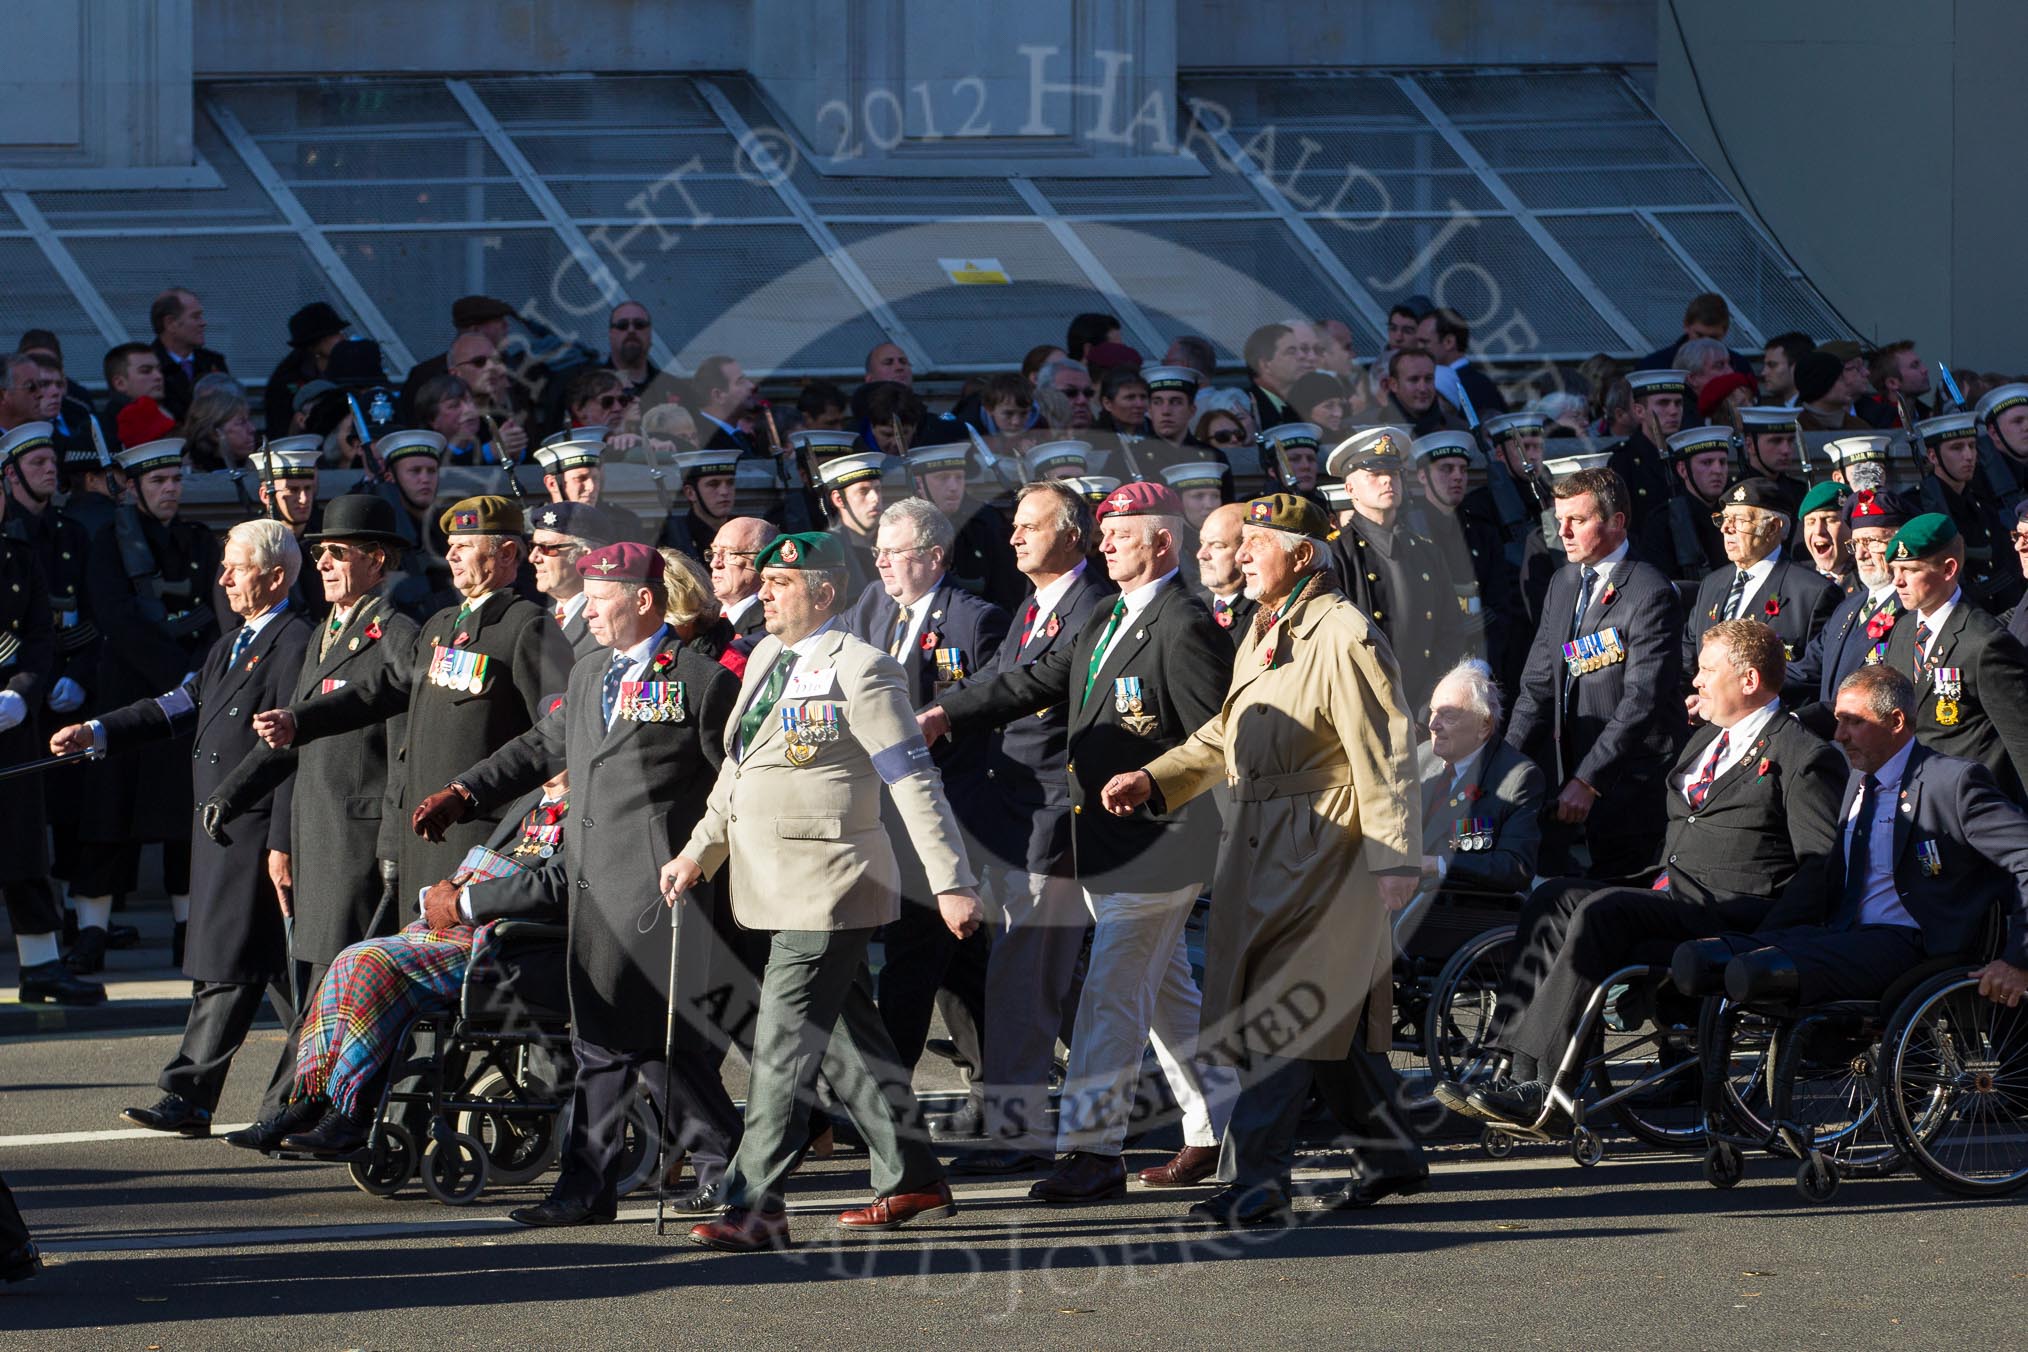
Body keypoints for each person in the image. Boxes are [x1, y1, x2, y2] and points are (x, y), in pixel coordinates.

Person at [1105, 492, 1429, 1225]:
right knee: (1324, 1020)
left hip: (1329, 846)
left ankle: (1256, 1181)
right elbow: (1225, 736)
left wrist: (1392, 859)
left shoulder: (1343, 633)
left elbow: (1386, 754)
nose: (1241, 554)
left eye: (1257, 542)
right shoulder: (1265, 628)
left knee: (1282, 1011)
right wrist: (1156, 778)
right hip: (1264, 842)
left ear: (1304, 554)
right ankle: (1392, 1155)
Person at [661, 530, 982, 1253]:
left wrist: (952, 883)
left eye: (780, 582)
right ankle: (912, 1175)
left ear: (825, 593)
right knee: (851, 1042)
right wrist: (697, 853)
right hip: (768, 882)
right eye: (764, 580)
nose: (764, 591)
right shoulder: (769, 657)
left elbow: (914, 781)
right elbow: (738, 774)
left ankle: (756, 1203)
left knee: (778, 1044)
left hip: (832, 886)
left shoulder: (865, 670)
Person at [924, 481, 1235, 1203]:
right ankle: (1217, 1127)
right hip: (1103, 840)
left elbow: (1216, 742)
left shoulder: (1185, 624)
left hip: (1162, 843)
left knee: (1109, 997)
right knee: (1166, 1000)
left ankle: (1094, 1152)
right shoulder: (1104, 616)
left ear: (1162, 543)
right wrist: (944, 713)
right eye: (1104, 533)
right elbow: (1032, 679)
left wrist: (1158, 785)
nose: (1105, 546)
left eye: (1121, 535)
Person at [418, 542, 742, 1223]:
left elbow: (733, 787)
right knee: (633, 1043)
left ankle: (594, 1187)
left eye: (600, 600)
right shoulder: (593, 669)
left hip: (659, 894)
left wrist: (703, 865)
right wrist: (464, 794)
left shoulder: (700, 681)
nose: (587, 612)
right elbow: (541, 745)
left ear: (643, 601)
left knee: (619, 1042)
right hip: (590, 889)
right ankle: (715, 1168)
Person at [1448, 620, 1844, 1130]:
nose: (1696, 682)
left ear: (1748, 681)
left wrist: (1770, 942)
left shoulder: (1800, 754)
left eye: (1707, 671)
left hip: (1730, 908)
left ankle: (1547, 1088)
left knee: (1601, 912)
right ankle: (1511, 1066)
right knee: (1553, 897)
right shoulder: (1704, 742)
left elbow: (1819, 864)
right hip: (1673, 890)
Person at [56, 520, 312, 1135]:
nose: (222, 578)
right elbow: (179, 703)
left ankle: (279, 1098)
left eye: (237, 567)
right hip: (223, 831)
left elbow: (290, 751)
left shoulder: (296, 639)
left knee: (253, 968)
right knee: (261, 969)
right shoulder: (232, 642)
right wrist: (101, 731)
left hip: (256, 830)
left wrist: (282, 841)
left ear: (275, 576)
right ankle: (267, 1098)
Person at [197, 494, 422, 1149]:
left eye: (337, 553)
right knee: (320, 984)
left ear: (377, 560)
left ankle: (336, 1110)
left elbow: (405, 738)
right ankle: (306, 1100)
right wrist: (235, 795)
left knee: (349, 983)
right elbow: (291, 736)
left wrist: (391, 837)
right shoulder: (327, 630)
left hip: (361, 831)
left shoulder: (396, 630)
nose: (322, 562)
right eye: (319, 553)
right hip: (318, 829)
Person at [246, 496, 574, 899]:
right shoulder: (441, 623)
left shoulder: (527, 627)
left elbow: (554, 737)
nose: (451, 553)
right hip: (424, 832)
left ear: (506, 553)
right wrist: (300, 720)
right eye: (450, 544)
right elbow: (381, 692)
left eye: (465, 545)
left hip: (481, 834)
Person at [1673, 664, 2028, 1029]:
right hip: (1844, 932)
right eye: (1838, 720)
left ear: (1895, 721)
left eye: (1853, 722)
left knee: (1756, 971)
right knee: (1701, 961)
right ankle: (1699, 1083)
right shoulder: (1858, 780)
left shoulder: (1952, 783)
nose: (1839, 735)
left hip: (1913, 944)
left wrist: (2018, 959)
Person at [931, 480, 1114, 1172]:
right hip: (1010, 814)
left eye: (1029, 526)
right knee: (1055, 984)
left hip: (1052, 815)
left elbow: (1041, 703)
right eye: (1012, 526)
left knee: (1022, 980)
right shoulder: (1032, 608)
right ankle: (1163, 1098)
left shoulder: (1091, 607)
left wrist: (943, 711)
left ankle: (1017, 1135)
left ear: (1073, 534)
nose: (1013, 537)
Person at [842, 498, 1009, 1127]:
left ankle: (882, 1109)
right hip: (884, 811)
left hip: (947, 816)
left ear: (935, 557)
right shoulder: (872, 608)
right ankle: (995, 1097)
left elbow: (990, 707)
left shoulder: (976, 618)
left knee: (913, 964)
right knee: (957, 964)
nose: (881, 562)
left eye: (895, 552)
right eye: (878, 551)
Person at [71, 437, 222, 972]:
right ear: (131, 487)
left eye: (175, 480)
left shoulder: (197, 541)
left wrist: (196, 672)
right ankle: (90, 932)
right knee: (108, 818)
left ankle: (187, 929)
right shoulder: (109, 542)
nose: (170, 490)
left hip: (185, 695)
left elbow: (216, 607)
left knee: (182, 819)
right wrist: (172, 672)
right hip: (127, 691)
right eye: (158, 482)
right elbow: (116, 617)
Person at [1506, 466, 1682, 878]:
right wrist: (1504, 766)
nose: (1563, 532)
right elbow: (1537, 688)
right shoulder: (1564, 582)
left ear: (1617, 522)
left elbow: (1641, 700)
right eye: (1559, 520)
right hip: (1567, 777)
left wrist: (1589, 780)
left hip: (1631, 784)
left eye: (1578, 521)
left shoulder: (1649, 590)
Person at [1878, 513, 2028, 797]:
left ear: (1948, 569)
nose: (1897, 581)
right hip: (1911, 799)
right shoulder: (1904, 630)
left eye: (1910, 570)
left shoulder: (1984, 642)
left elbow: (2021, 740)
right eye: (1895, 569)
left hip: (1970, 804)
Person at [1324, 427, 1468, 716]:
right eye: (1374, 474)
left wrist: (1431, 702)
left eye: (1394, 472)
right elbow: (1333, 648)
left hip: (1427, 707)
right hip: (1364, 706)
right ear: (1350, 489)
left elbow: (1450, 633)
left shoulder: (1426, 551)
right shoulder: (1336, 556)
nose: (1388, 480)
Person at [1680, 478, 1839, 698]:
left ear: (1773, 527)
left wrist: (1733, 694)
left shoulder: (1812, 592)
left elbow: (1811, 672)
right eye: (1725, 519)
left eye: (1739, 520)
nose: (1726, 528)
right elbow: (1687, 656)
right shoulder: (1712, 583)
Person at [1413, 659, 1544, 901]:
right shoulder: (1421, 757)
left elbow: (1516, 867)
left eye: (1447, 715)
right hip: (1406, 904)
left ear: (1484, 725)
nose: (1433, 725)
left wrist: (1438, 864)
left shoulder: (1517, 778)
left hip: (1467, 912)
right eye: (1433, 711)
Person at [1788, 489, 1911, 737]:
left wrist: (1802, 717)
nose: (1862, 554)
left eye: (1873, 542)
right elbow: (1806, 670)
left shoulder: (1910, 609)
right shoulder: (1849, 606)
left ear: (1900, 546)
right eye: (1856, 543)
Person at [1408, 430, 1500, 673]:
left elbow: (1501, 598)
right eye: (1446, 469)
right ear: (1422, 475)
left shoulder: (1481, 530)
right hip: (1431, 658)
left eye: (1463, 469)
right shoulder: (1408, 531)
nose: (1458, 477)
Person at [1916, 412, 2023, 614]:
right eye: (1957, 448)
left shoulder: (1983, 502)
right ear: (1932, 456)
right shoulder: (1918, 506)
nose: (1969, 456)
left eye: (1972, 446)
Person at [905, 441, 1023, 612]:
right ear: (919, 484)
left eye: (959, 477)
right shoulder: (904, 527)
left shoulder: (985, 522)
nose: (954, 487)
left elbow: (1007, 589)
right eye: (943, 478)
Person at [372, 430, 458, 623]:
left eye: (431, 471)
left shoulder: (448, 528)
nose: (425, 479)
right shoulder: (384, 534)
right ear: (389, 477)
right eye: (415, 471)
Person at [1639, 424, 1733, 590]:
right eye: (1707, 462)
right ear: (1683, 470)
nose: (1718, 470)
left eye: (1723, 462)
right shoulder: (1663, 521)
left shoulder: (1736, 514)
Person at [527, 501, 624, 660]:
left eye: (546, 548)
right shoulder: (540, 619)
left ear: (585, 555)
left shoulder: (610, 621)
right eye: (532, 547)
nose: (533, 558)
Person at [1606, 370, 1687, 534]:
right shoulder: (1621, 460)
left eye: (1678, 403)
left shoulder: (1685, 457)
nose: (1673, 411)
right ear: (1639, 411)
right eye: (1663, 403)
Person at [810, 443, 885, 598]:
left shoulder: (891, 540)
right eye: (863, 491)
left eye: (877, 489)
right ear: (838, 499)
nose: (875, 498)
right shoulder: (828, 552)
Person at [263, 303, 350, 436]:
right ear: (317, 342)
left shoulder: (345, 371)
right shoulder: (285, 383)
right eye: (334, 333)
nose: (342, 338)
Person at [149, 288, 229, 422]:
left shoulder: (214, 362)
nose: (203, 323)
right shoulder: (147, 368)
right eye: (195, 316)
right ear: (170, 323)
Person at [657, 447, 741, 565]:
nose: (724, 491)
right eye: (713, 484)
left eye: (730, 483)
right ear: (690, 493)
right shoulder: (675, 536)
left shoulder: (743, 531)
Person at [1192, 500, 1258, 641]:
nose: (1201, 554)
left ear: (1245, 550)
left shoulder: (1264, 614)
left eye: (1217, 545)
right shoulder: (1191, 606)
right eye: (1202, 543)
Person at [707, 516, 776, 640]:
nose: (715, 563)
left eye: (729, 554)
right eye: (713, 553)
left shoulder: (772, 624)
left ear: (763, 560)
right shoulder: (701, 617)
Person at [1798, 481, 1857, 594]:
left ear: (1852, 525)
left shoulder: (1868, 582)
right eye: (1811, 522)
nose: (1819, 531)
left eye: (1830, 520)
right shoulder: (1796, 581)